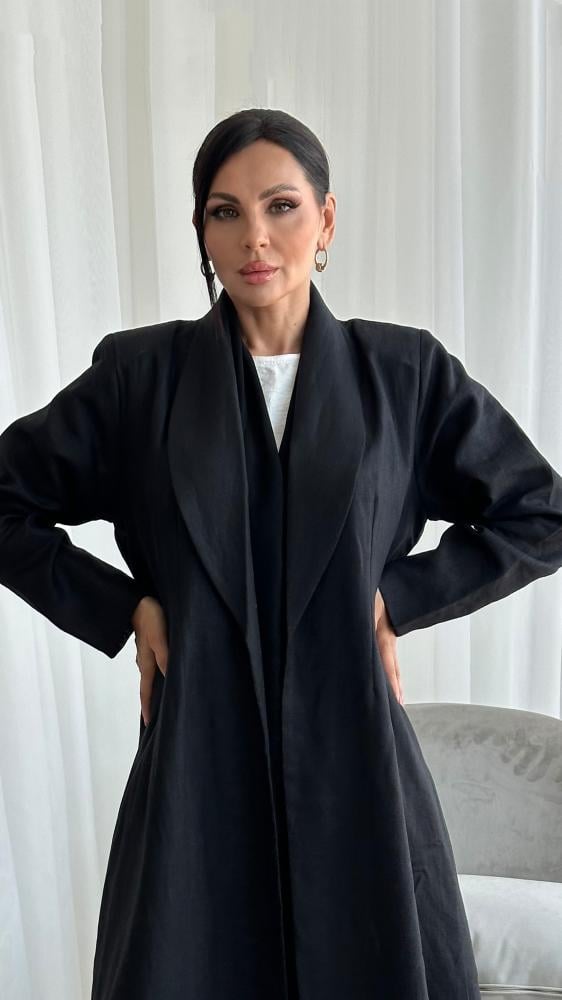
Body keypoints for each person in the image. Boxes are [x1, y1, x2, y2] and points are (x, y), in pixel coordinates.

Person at [1, 107, 561, 1000]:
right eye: (224, 212)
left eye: (281, 206)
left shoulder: (403, 376)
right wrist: (126, 608)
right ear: (201, 231)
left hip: (358, 770)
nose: (254, 237)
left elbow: (539, 511)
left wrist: (397, 599)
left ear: (326, 220)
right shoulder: (139, 381)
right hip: (196, 769)